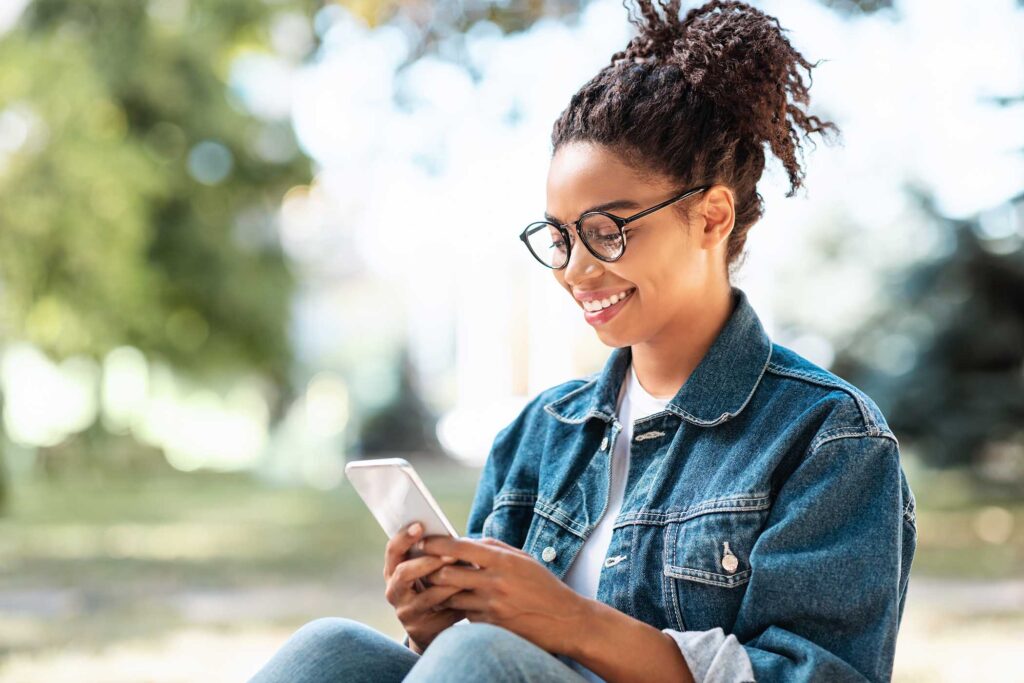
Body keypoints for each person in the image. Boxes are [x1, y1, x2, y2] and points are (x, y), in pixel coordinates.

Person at [248, 0, 917, 681]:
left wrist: (571, 620)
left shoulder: (827, 437)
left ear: (712, 217)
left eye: (606, 231)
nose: (575, 269)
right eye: (561, 237)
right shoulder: (538, 435)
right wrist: (437, 629)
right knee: (330, 649)